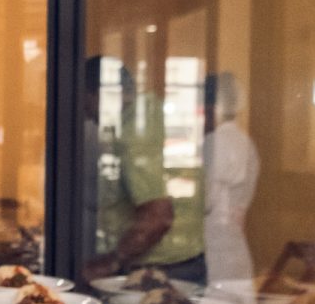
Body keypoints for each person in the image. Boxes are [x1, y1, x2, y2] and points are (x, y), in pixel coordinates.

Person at [82, 56, 206, 283]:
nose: (87, 115)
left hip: (164, 268)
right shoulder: (153, 109)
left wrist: (112, 261)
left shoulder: (134, 135)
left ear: (101, 94)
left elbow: (158, 217)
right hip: (187, 258)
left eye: (85, 102)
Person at [202, 72, 260, 284]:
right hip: (238, 247)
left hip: (214, 248)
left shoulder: (214, 141)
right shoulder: (247, 143)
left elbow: (207, 201)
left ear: (211, 107)